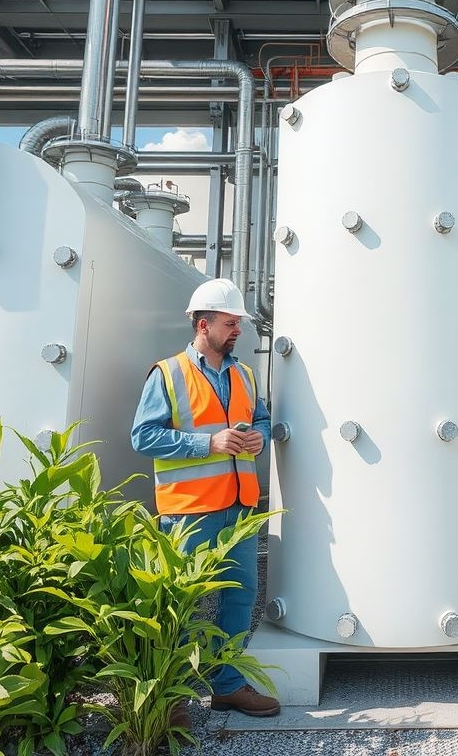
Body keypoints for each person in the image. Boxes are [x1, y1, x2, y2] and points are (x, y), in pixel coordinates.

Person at [131, 277, 280, 720]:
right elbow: (143, 436)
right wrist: (207, 445)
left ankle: (228, 686)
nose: (237, 331)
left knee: (239, 597)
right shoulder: (168, 373)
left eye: (238, 323)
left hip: (239, 509)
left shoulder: (245, 374)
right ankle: (173, 695)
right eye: (229, 323)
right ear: (202, 324)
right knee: (181, 603)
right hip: (188, 512)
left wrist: (258, 437)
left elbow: (264, 420)